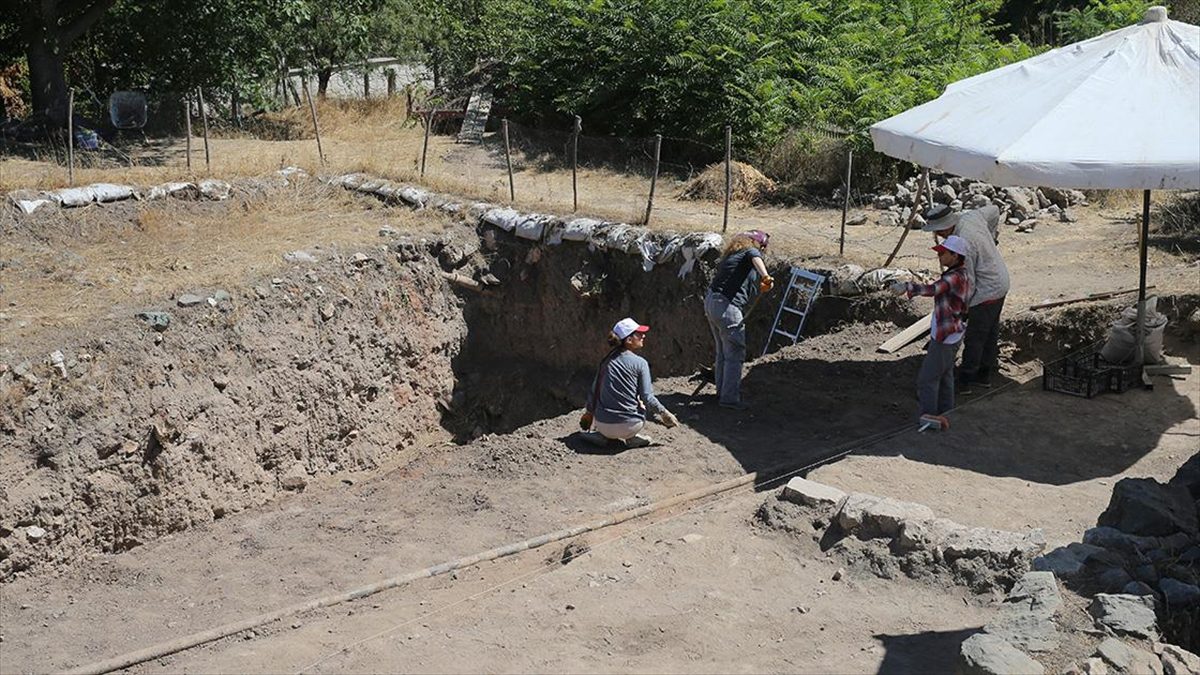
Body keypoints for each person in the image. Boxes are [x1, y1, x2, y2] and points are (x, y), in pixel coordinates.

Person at [921, 203, 1010, 392]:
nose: (939, 236)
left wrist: (962, 309)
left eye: (939, 232)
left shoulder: (962, 243)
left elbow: (968, 283)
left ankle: (965, 381)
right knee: (990, 332)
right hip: (1001, 281)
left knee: (975, 338)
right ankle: (985, 374)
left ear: (945, 227)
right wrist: (992, 238)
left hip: (987, 290)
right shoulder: (970, 216)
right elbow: (994, 209)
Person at [890, 235, 972, 430]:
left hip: (945, 335)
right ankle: (947, 414)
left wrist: (907, 287)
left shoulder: (953, 277)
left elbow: (933, 289)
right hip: (954, 332)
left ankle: (929, 419)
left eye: (944, 253)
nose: (940, 256)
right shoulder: (963, 274)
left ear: (955, 255)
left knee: (927, 380)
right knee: (945, 376)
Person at [579, 318, 678, 448]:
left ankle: (602, 436)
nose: (643, 335)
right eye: (639, 333)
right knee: (640, 403)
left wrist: (589, 413)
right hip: (631, 426)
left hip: (603, 425)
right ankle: (631, 438)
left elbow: (594, 391)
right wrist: (664, 413)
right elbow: (647, 397)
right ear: (629, 340)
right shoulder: (640, 363)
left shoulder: (605, 362)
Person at [704, 230, 774, 410]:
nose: (763, 252)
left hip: (712, 302)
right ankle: (729, 400)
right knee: (735, 353)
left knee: (723, 352)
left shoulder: (733, 255)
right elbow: (755, 256)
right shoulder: (749, 251)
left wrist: (760, 286)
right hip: (727, 306)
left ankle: (721, 392)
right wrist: (765, 276)